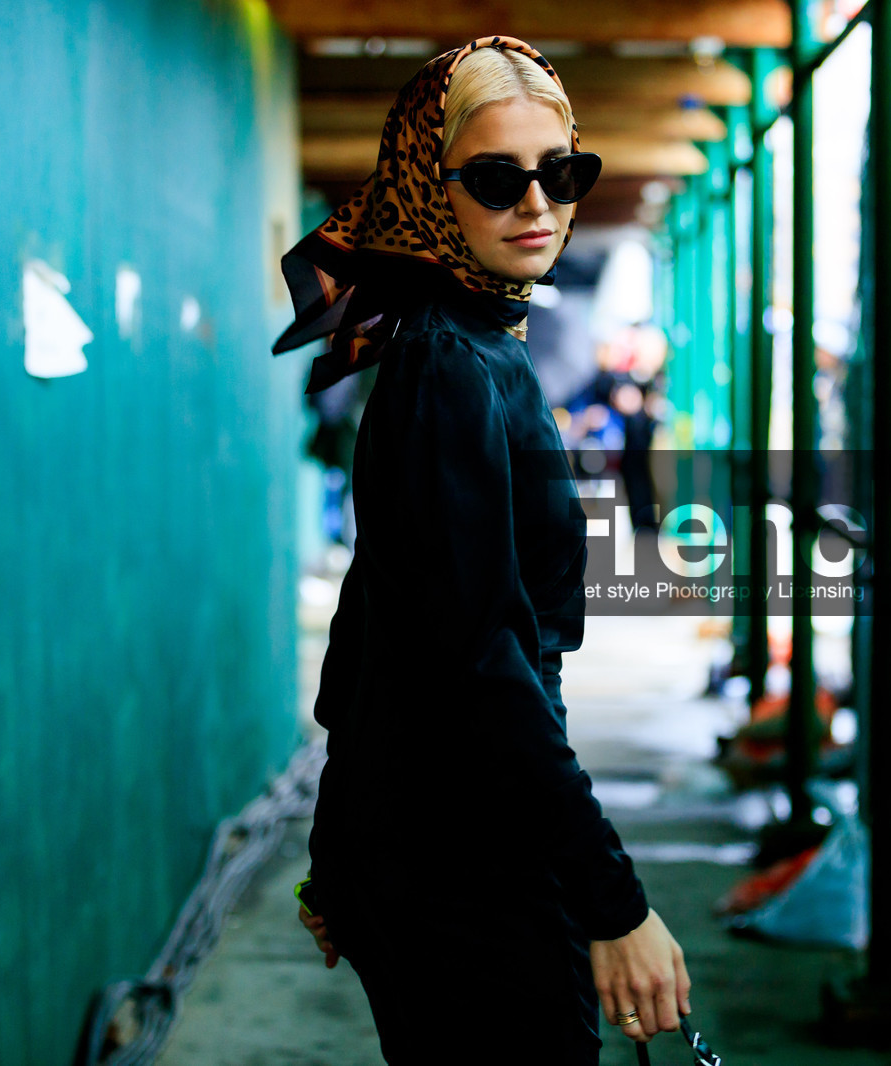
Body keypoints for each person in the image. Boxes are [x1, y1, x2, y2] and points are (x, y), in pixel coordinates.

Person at [269, 36, 692, 1064]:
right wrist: (614, 902)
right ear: (428, 187)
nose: (538, 204)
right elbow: (481, 669)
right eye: (498, 179)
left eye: (563, 172)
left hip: (429, 833)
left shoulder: (465, 346)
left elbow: (375, 618)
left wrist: (338, 845)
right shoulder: (449, 369)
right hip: (457, 851)